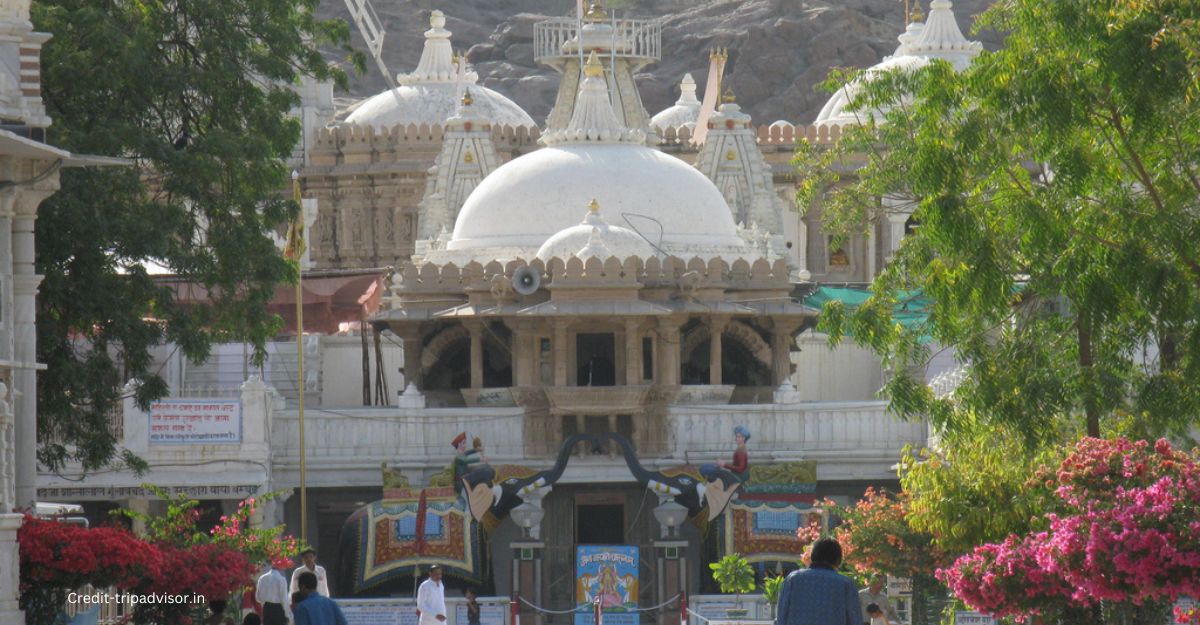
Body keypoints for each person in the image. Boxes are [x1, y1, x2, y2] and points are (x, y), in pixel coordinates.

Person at [775, 537, 862, 625]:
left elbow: (781, 616)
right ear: (838, 559)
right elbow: (855, 620)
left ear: (812, 556)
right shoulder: (845, 584)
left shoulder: (793, 579)